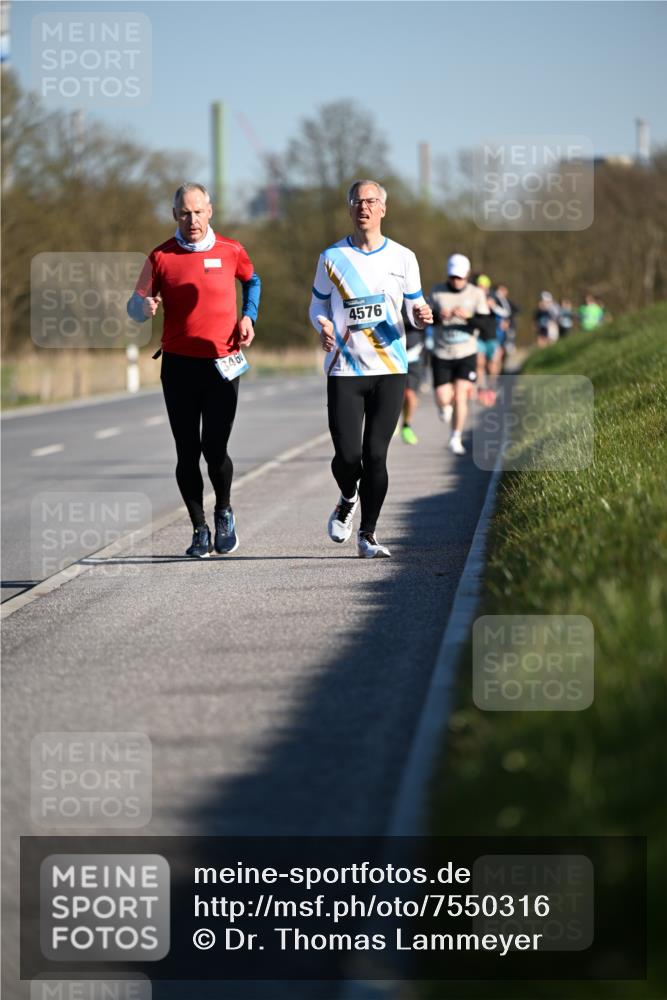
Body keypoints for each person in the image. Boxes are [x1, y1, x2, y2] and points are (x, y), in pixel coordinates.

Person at [127, 182, 261, 558]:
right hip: (179, 366)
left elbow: (252, 280)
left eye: (199, 211)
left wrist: (248, 316)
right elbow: (133, 306)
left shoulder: (231, 249)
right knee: (187, 452)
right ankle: (198, 528)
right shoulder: (160, 257)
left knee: (214, 449)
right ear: (174, 215)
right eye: (185, 213)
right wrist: (143, 309)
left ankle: (223, 511)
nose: (192, 219)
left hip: (223, 363)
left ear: (210, 211)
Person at [309, 179, 432, 558]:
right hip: (345, 370)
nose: (365, 207)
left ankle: (368, 534)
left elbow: (415, 305)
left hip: (390, 368)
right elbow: (316, 306)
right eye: (358, 202)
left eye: (372, 201)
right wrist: (324, 325)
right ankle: (348, 497)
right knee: (348, 458)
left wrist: (423, 315)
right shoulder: (331, 257)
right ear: (350, 210)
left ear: (383, 209)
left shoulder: (403, 257)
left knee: (376, 455)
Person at [429, 254, 490, 454]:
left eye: (460, 277)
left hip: (466, 352)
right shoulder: (437, 292)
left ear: (467, 275)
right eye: (453, 277)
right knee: (443, 397)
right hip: (442, 352)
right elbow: (426, 320)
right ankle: (443, 406)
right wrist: (439, 316)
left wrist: (468, 316)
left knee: (462, 394)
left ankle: (455, 438)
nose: (456, 281)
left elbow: (487, 325)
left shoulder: (476, 294)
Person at [400, 310, 426, 445]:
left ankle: (406, 425)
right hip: (393, 356)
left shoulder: (418, 300)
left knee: (410, 394)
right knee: (394, 395)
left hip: (414, 356)